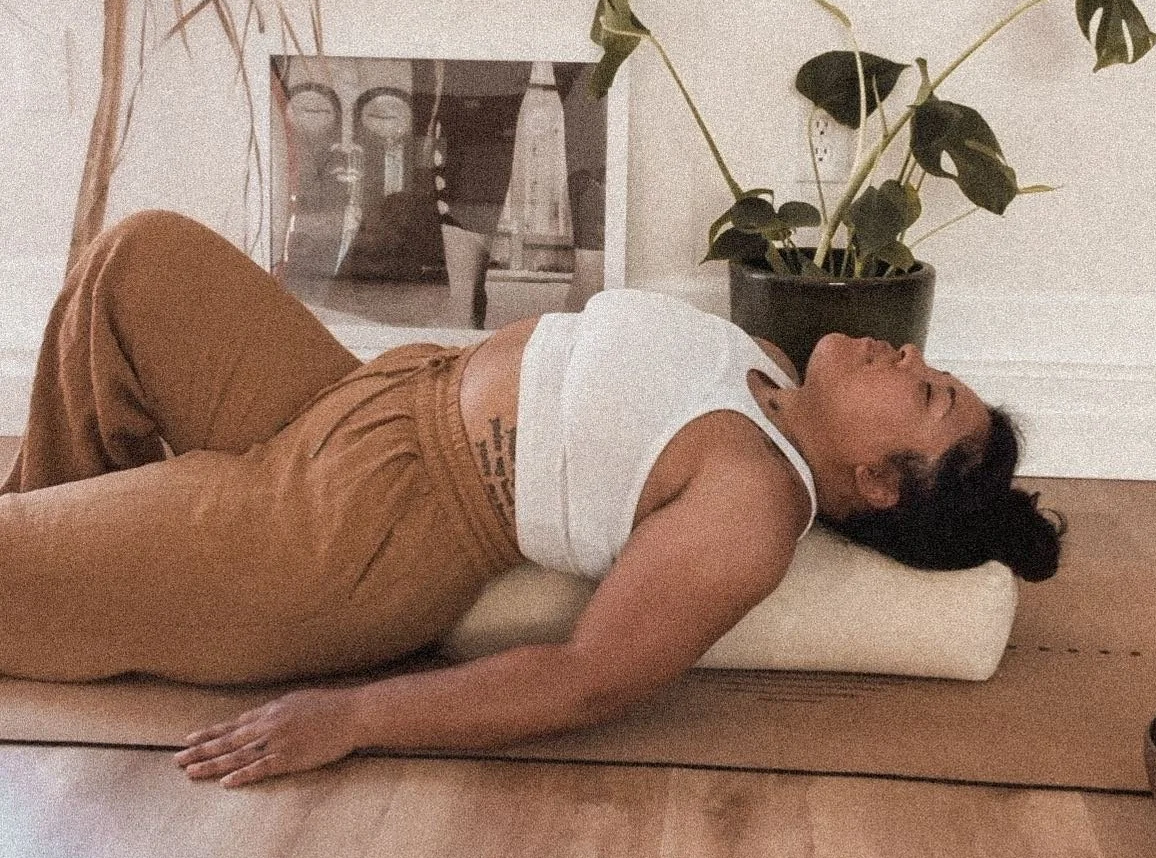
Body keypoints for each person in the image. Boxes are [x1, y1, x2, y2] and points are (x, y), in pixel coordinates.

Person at [0, 211, 1062, 790]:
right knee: (138, 258)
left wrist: (353, 715)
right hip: (348, 399)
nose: (909, 354)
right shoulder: (766, 363)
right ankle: (75, 570)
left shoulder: (751, 508)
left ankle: (54, 575)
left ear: (878, 480)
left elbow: (586, 680)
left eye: (926, 391)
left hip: (335, 536)